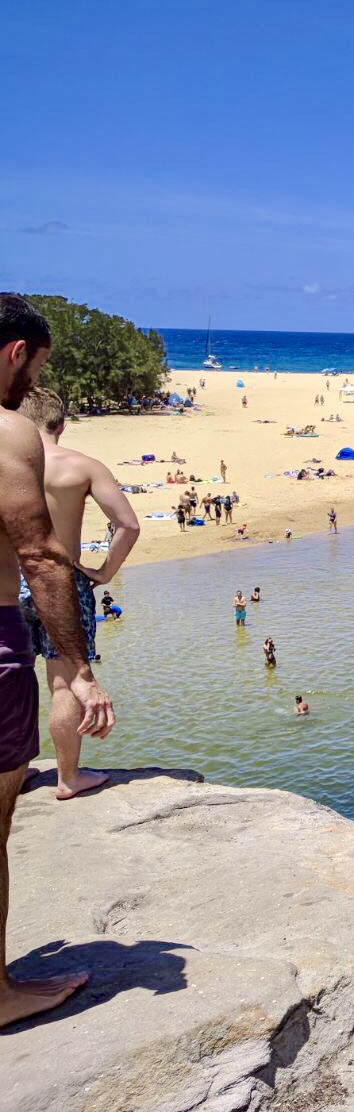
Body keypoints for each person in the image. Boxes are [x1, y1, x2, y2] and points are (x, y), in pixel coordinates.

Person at [0, 293, 115, 1026]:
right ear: (16, 353)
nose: (31, 385)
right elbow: (41, 557)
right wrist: (78, 667)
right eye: (35, 366)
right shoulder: (9, 434)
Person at [14, 388, 139, 796]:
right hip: (61, 580)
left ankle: (13, 770)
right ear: (61, 425)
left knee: (10, 676)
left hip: (6, 580)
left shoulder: (5, 464)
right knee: (64, 680)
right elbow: (128, 525)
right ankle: (68, 777)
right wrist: (103, 572)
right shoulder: (82, 466)